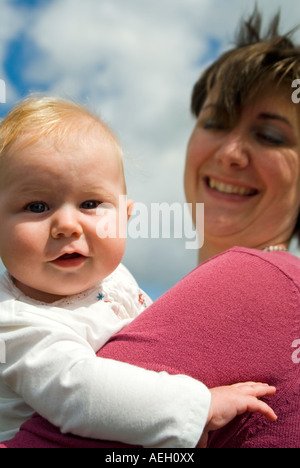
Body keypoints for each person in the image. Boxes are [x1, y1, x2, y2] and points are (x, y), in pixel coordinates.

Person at [2, 8, 300, 448]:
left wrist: (193, 408)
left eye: (271, 136)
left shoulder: (270, 284)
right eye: (215, 122)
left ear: (126, 211)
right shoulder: (42, 311)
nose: (232, 153)